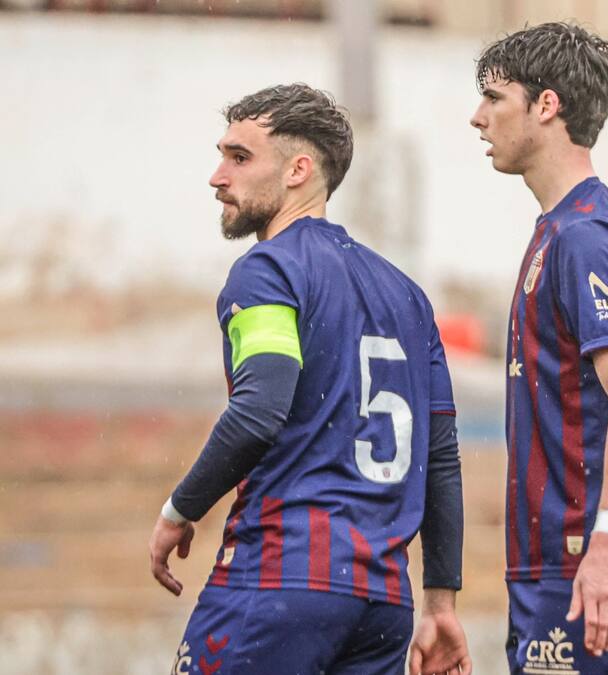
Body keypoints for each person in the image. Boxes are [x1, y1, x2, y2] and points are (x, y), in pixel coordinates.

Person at [147, 83, 472, 675]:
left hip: (280, 581)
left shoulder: (268, 271)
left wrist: (179, 510)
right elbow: (441, 459)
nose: (218, 177)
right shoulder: (408, 295)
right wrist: (441, 601)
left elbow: (258, 412)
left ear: (298, 170)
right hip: (383, 605)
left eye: (239, 158)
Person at [470, 22, 608, 675]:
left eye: (494, 98)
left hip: (585, 559)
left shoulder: (587, 235)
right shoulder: (559, 228)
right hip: (553, 559)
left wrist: (607, 545)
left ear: (547, 105)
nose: (478, 117)